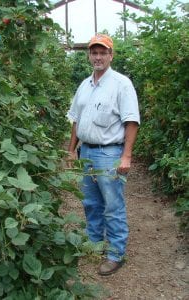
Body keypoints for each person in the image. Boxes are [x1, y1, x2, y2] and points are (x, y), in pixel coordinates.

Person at [67, 33, 140, 276]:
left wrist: (126, 155)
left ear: (111, 55)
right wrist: (70, 150)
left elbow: (131, 121)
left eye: (102, 52)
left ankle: (116, 253)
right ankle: (94, 245)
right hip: (86, 152)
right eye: (94, 52)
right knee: (90, 203)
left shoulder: (121, 84)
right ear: (89, 55)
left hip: (109, 154)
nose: (98, 57)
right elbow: (76, 120)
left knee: (112, 205)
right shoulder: (85, 85)